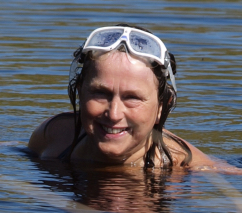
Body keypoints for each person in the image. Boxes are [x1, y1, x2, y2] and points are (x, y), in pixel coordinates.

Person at [28, 24, 217, 172]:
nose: (114, 114)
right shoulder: (52, 138)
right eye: (101, 93)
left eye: (132, 97)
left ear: (161, 107)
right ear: (80, 93)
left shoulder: (188, 170)